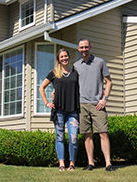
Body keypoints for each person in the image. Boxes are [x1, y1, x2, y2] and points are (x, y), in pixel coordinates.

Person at [73, 38, 115, 172]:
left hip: (98, 104)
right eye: (81, 47)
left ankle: (108, 164)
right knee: (87, 135)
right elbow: (70, 84)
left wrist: (104, 99)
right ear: (78, 49)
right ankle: (91, 163)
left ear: (90, 47)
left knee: (103, 133)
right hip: (82, 105)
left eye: (86, 47)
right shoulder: (76, 65)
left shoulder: (100, 62)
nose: (84, 50)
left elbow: (109, 82)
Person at [39, 48, 80, 171]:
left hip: (73, 109)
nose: (64, 58)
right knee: (60, 137)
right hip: (59, 110)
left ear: (69, 57)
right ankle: (61, 164)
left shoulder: (75, 73)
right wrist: (47, 103)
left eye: (66, 56)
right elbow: (41, 87)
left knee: (73, 138)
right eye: (61, 57)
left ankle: (72, 164)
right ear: (59, 59)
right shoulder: (54, 73)